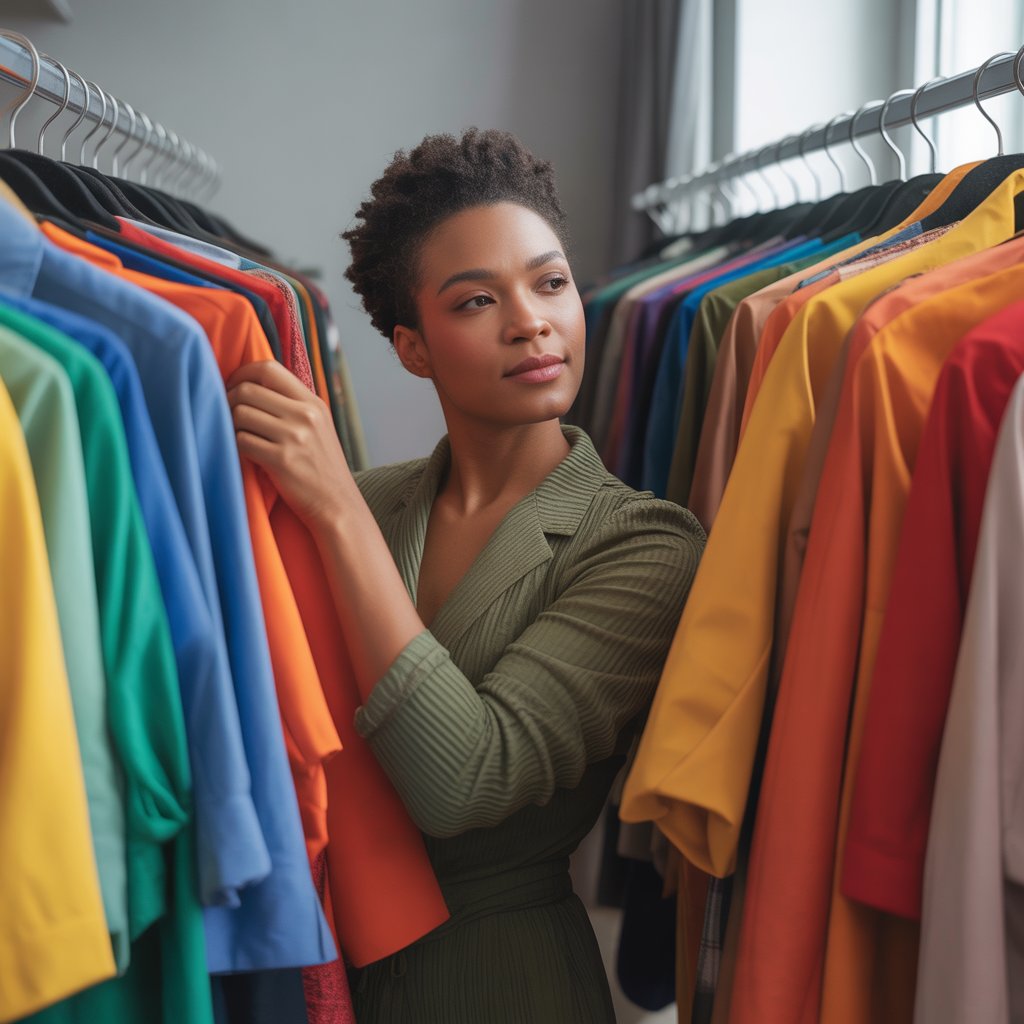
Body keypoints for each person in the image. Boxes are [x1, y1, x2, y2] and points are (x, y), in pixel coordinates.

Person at [225, 128, 705, 1023]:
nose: (531, 320)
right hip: (317, 970)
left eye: (551, 282)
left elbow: (468, 780)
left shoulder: (645, 545)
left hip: (503, 981)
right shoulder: (369, 502)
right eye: (478, 299)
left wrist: (331, 509)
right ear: (413, 347)